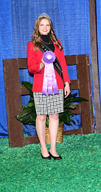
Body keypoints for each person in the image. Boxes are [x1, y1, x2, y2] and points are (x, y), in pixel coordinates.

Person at [27, 13, 71, 160]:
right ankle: (43, 147)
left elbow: (63, 64)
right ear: (37, 28)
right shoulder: (32, 45)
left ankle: (53, 148)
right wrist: (41, 64)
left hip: (57, 85)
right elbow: (31, 67)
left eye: (47, 25)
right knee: (41, 116)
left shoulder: (57, 43)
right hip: (40, 86)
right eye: (42, 25)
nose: (45, 27)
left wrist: (66, 83)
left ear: (50, 27)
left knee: (54, 115)